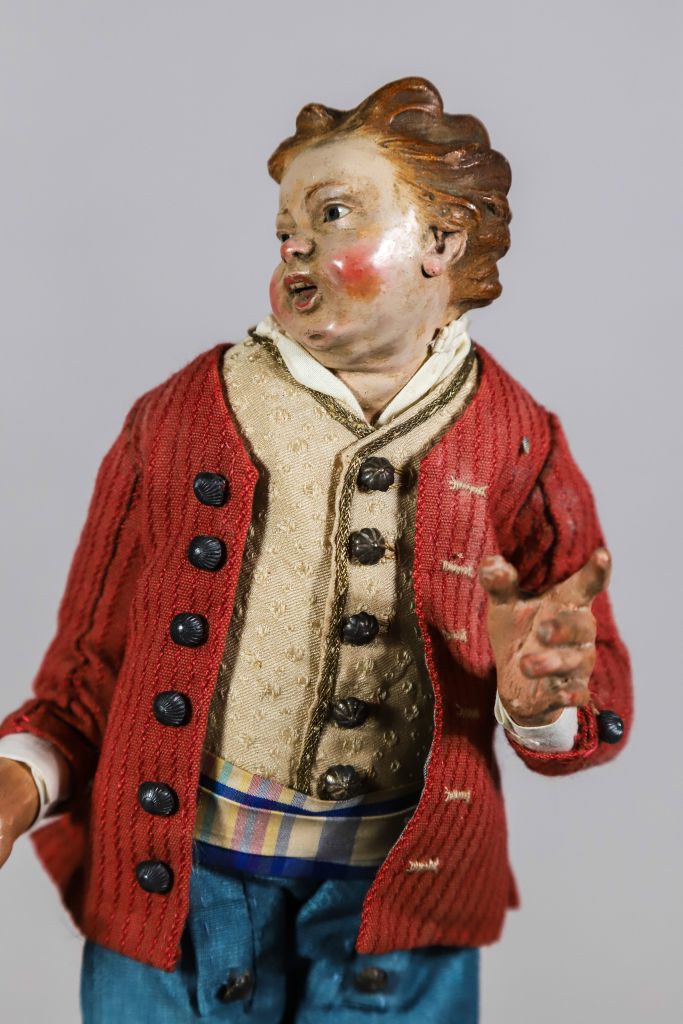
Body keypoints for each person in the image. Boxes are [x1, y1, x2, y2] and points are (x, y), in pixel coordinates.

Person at [0, 77, 632, 1022]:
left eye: (332, 214)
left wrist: (541, 699)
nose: (294, 243)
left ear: (441, 241)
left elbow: (588, 672)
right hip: (184, 889)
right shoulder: (180, 418)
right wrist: (21, 779)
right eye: (284, 228)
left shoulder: (517, 442)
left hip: (397, 913)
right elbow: (90, 669)